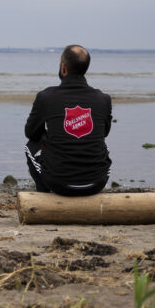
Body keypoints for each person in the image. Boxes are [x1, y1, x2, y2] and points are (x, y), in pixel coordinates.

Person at [24, 44, 112, 196]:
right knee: (101, 145)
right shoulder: (103, 99)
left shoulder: (46, 97)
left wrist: (51, 136)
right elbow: (104, 133)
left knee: (30, 146)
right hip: (97, 183)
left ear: (63, 68)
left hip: (58, 183)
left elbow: (31, 133)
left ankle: (44, 196)